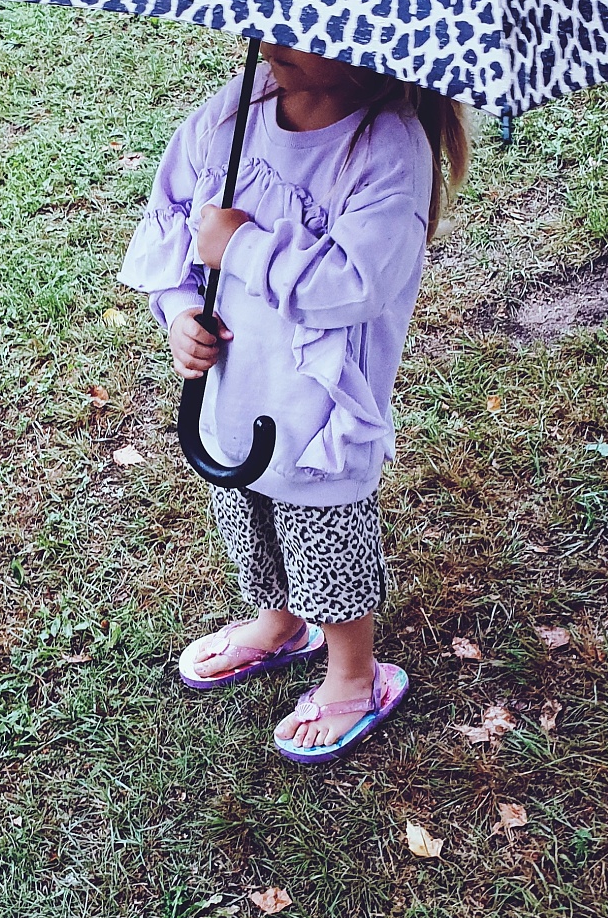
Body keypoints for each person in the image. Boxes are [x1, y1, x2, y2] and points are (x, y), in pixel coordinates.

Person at [119, 42, 468, 764]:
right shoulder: (240, 106)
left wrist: (243, 245)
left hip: (320, 404)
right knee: (244, 504)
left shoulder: (387, 149)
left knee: (322, 527)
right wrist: (181, 310)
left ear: (376, 44)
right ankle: (278, 623)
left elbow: (353, 286)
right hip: (235, 379)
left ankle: (354, 673)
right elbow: (177, 208)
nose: (276, 43)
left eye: (304, 37)